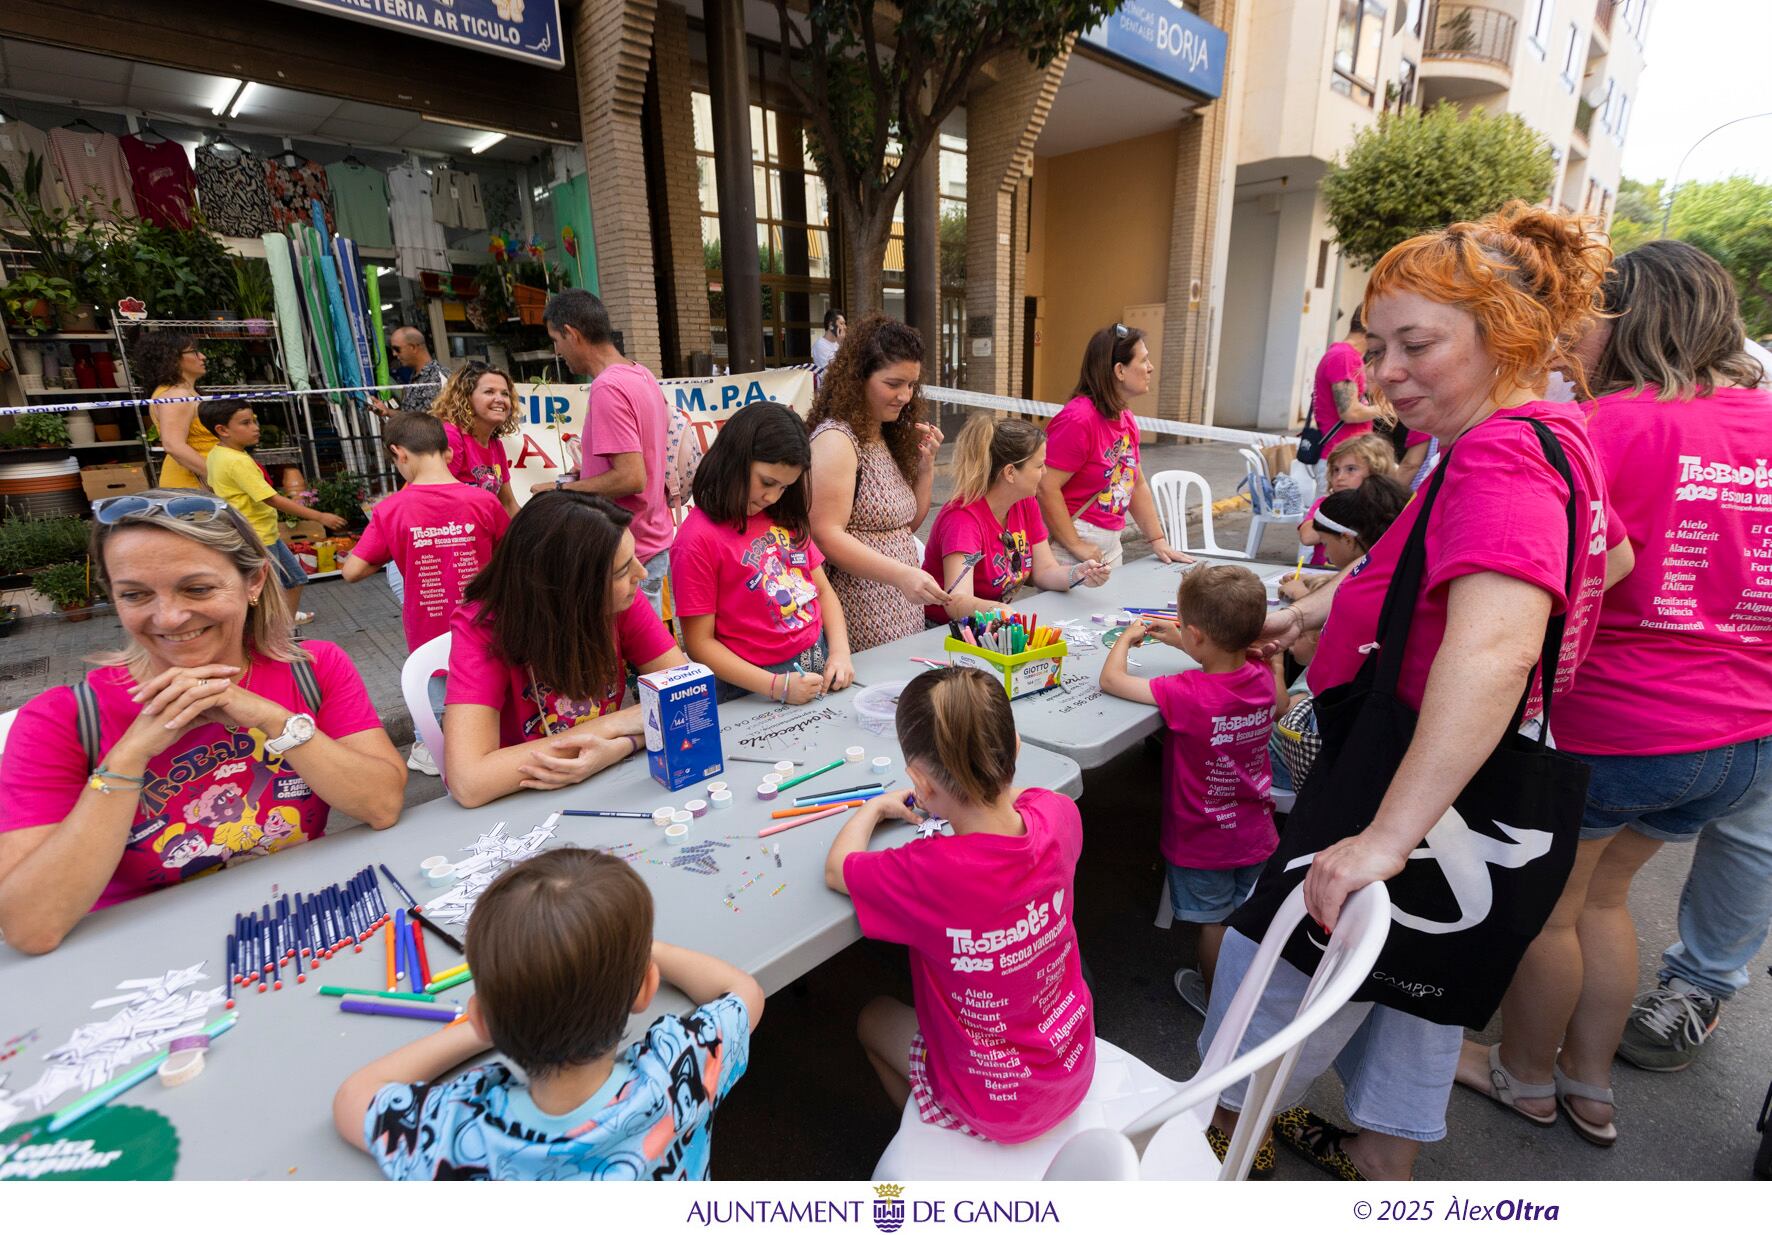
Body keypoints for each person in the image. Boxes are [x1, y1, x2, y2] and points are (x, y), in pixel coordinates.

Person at [1199, 202, 1629, 1182]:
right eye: (1375, 343)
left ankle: (1214, 1153)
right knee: (1413, 997)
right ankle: (1378, 1161)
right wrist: (1311, 616)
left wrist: (1382, 837)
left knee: (1267, 982)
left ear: (1505, 334)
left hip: (1405, 795)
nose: (1382, 371)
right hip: (1461, 802)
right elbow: (1449, 556)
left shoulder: (1499, 454)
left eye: (1414, 343)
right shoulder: (1548, 432)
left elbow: (1493, 649)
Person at [1455, 241, 1772, 1145]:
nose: (1576, 332)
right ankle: (1590, 1087)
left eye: (1589, 313)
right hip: (1742, 737)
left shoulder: (1608, 427)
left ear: (1629, 317)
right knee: (1605, 903)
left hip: (1622, 722)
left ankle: (1524, 1076)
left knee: (1554, 910)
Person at [0, 491, 406, 954]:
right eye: (135, 595)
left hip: (290, 929)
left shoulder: (314, 669)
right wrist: (129, 757)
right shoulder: (62, 719)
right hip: (135, 957)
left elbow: (382, 804)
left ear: (253, 582)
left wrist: (271, 718)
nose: (169, 617)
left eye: (197, 588)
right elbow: (30, 926)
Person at [334, 848, 763, 1180]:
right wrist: (622, 952)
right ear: (645, 988)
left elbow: (354, 1097)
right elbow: (744, 992)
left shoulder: (458, 1131)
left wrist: (497, 1020)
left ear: (482, 1018)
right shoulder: (680, 1067)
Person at [827, 667, 1096, 1144]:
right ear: (1015, 746)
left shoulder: (929, 872)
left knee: (872, 1018)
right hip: (1072, 1064)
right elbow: (1022, 798)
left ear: (920, 783)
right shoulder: (1060, 814)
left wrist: (873, 808)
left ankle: (933, 1143)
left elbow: (838, 867)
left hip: (990, 1104)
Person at [1098, 566, 1286, 1023]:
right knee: (1245, 918)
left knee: (1213, 924)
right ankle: (1253, 994)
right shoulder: (1261, 677)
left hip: (1201, 840)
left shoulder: (1189, 692)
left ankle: (1220, 1004)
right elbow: (1278, 701)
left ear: (1197, 635)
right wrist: (1183, 637)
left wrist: (1125, 639)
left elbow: (1112, 682)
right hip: (1255, 830)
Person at [443, 492, 687, 807]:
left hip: (609, 786)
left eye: (635, 557)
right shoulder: (484, 627)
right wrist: (613, 725)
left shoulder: (620, 599)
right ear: (571, 588)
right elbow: (470, 781)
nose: (641, 574)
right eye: (622, 570)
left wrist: (621, 745)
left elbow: (687, 694)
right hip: (521, 805)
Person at [342, 413, 510, 776]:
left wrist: (394, 549)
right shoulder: (483, 502)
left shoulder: (391, 510)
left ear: (398, 453)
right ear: (449, 453)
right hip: (485, 626)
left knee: (437, 706)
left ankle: (439, 755)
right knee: (490, 693)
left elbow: (352, 571)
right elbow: (512, 558)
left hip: (428, 635)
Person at [670, 402, 854, 704]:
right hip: (750, 685)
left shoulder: (782, 515)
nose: (771, 496)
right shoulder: (697, 539)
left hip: (815, 663)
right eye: (767, 482)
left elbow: (821, 590)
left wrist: (840, 653)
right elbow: (699, 643)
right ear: (734, 460)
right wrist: (774, 686)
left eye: (784, 487)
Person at [807, 313, 950, 651]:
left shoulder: (885, 435)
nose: (905, 395)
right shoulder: (836, 440)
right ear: (858, 379)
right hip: (860, 610)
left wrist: (926, 468)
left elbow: (906, 524)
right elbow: (824, 535)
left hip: (901, 608)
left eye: (911, 384)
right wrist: (900, 574)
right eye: (893, 383)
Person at [544, 290, 675, 618]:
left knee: (637, 657)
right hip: (651, 540)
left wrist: (561, 490)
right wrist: (586, 474)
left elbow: (630, 477)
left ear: (571, 334)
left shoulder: (608, 387)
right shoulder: (640, 374)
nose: (557, 352)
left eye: (555, 340)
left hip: (631, 551)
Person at [921, 414, 1110, 623]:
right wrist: (996, 609)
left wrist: (1079, 574)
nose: (1045, 472)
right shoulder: (963, 521)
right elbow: (956, 600)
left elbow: (1045, 571)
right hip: (942, 631)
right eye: (1039, 466)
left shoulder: (1024, 503)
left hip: (989, 626)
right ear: (1010, 473)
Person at [1036, 324, 1190, 570]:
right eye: (1144, 360)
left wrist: (1158, 540)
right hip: (1074, 542)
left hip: (1110, 543)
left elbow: (1135, 482)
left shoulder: (1124, 417)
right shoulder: (1078, 419)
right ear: (1119, 370)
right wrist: (1075, 544)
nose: (1150, 367)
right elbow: (1045, 486)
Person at [201, 400, 346, 623]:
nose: (255, 427)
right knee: (270, 590)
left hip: (256, 533)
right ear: (222, 430)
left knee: (292, 580)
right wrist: (319, 516)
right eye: (246, 423)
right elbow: (272, 499)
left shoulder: (217, 454)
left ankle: (282, 628)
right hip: (257, 536)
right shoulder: (236, 461)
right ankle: (272, 633)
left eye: (254, 421)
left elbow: (211, 487)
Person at [432, 362, 520, 517]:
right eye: (489, 392)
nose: (500, 399)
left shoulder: (496, 444)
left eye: (505, 394)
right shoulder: (451, 435)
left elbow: (508, 504)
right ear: (465, 397)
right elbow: (434, 499)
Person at [1296, 433, 1397, 568]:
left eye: (1351, 469)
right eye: (1336, 470)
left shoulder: (1384, 506)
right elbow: (1307, 537)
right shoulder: (1325, 503)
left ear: (1375, 471)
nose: (1340, 477)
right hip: (1322, 572)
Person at [133, 331, 212, 490]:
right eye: (194, 352)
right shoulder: (176, 395)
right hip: (195, 486)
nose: (202, 357)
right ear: (172, 358)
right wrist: (218, 477)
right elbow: (173, 445)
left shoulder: (181, 392)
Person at [1309, 310, 1385, 455]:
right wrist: (1386, 410)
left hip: (1345, 455)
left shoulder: (1344, 354)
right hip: (1341, 456)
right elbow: (1350, 412)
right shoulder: (1345, 356)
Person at [368, 326, 448, 419]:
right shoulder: (416, 375)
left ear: (413, 347)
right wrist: (388, 411)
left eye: (397, 349)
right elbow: (413, 416)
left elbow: (434, 422)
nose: (394, 354)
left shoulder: (438, 378)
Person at [812, 308, 846, 373]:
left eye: (845, 323)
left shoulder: (838, 343)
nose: (845, 327)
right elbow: (835, 367)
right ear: (831, 326)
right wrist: (841, 345)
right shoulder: (820, 345)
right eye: (841, 323)